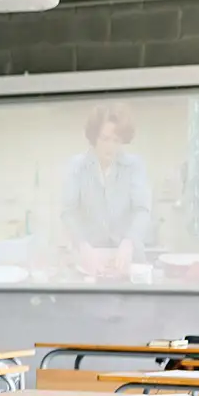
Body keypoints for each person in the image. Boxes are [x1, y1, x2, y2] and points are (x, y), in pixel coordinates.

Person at [62, 102, 152, 279]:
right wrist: (83, 245)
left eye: (116, 140)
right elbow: (68, 212)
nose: (110, 146)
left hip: (127, 258)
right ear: (94, 137)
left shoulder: (135, 166)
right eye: (105, 139)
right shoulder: (77, 167)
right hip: (90, 259)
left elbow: (142, 210)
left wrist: (129, 243)